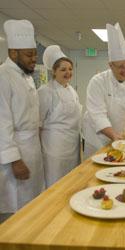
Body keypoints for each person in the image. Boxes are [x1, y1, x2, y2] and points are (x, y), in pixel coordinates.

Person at [0, 20, 45, 222]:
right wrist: (15, 160)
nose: (34, 59)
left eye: (35, 53)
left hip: (32, 148)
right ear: (13, 53)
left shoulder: (25, 76)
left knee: (32, 203)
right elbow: (2, 123)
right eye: (29, 54)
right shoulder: (3, 76)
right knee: (15, 208)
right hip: (14, 152)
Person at [83, 23, 125, 158]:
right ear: (110, 65)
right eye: (120, 67)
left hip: (119, 134)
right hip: (97, 138)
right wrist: (113, 135)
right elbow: (97, 115)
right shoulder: (97, 82)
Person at [38, 45, 82, 187]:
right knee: (55, 184)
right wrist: (39, 150)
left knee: (71, 183)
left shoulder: (72, 91)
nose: (68, 72)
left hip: (73, 146)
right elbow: (38, 123)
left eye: (70, 69)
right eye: (63, 69)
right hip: (54, 149)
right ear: (54, 72)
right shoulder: (45, 92)